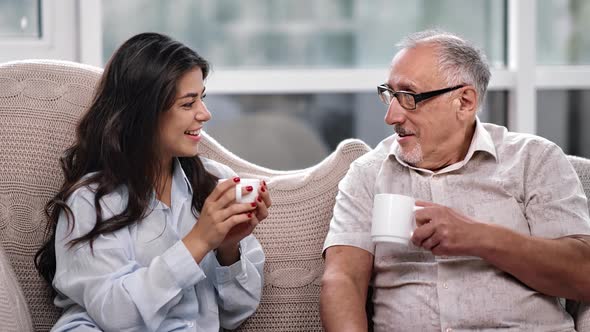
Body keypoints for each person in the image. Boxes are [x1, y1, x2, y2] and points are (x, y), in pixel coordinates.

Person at [320, 29, 590, 331]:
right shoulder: (368, 173)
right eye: (390, 95)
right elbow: (342, 280)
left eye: (409, 96)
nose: (392, 116)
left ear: (464, 102)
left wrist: (479, 237)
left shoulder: (533, 159)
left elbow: (583, 275)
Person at [34, 32, 271, 331]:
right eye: (188, 104)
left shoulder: (215, 185)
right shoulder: (92, 201)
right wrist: (199, 241)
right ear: (143, 113)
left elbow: (237, 314)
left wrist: (229, 250)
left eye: (202, 98)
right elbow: (116, 317)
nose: (205, 114)